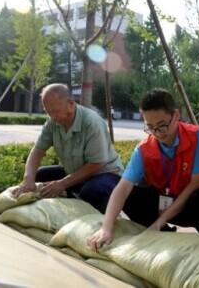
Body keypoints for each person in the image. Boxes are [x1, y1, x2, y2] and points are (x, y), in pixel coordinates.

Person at [87, 89, 199, 251]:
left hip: (194, 204)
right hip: (166, 201)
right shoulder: (144, 149)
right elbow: (122, 188)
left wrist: (160, 220)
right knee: (131, 195)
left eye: (162, 125)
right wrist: (106, 227)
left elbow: (196, 184)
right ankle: (163, 233)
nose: (157, 133)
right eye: (150, 127)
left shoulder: (197, 137)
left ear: (176, 116)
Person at [12, 84, 123, 213]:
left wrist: (62, 184)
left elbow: (97, 163)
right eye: (48, 112)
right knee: (40, 175)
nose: (52, 116)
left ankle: (101, 219)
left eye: (55, 111)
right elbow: (37, 151)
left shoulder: (92, 122)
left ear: (70, 103)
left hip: (105, 173)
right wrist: (28, 179)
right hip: (76, 171)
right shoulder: (52, 123)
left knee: (92, 191)